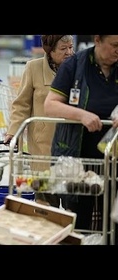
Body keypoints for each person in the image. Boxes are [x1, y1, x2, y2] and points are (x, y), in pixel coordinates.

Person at [44, 35, 118, 241]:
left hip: (113, 160)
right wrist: (82, 115)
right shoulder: (75, 65)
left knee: (113, 219)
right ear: (98, 40)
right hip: (78, 158)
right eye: (114, 45)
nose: (117, 50)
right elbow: (50, 105)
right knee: (79, 220)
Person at [4, 35, 74, 207]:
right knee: (45, 202)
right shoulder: (33, 68)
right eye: (63, 49)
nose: (69, 52)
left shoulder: (78, 67)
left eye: (71, 47)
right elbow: (21, 104)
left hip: (72, 144)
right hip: (43, 145)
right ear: (50, 51)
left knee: (71, 198)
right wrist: (13, 132)